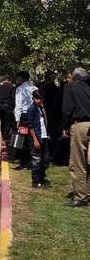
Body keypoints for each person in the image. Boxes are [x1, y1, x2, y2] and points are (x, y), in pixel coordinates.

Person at [61, 67, 90, 207]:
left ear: (74, 76)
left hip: (79, 125)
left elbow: (67, 108)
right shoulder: (88, 89)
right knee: (88, 161)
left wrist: (64, 126)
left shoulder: (69, 87)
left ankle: (80, 197)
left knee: (78, 162)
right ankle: (87, 192)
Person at [14, 71, 37, 170]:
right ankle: (34, 161)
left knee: (22, 139)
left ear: (21, 78)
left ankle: (25, 163)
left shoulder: (20, 89)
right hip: (34, 114)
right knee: (33, 137)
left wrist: (17, 119)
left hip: (24, 115)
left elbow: (18, 105)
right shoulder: (35, 88)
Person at [28, 89, 51, 189]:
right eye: (36, 99)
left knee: (45, 160)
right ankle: (36, 181)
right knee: (36, 160)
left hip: (44, 136)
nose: (38, 101)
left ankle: (42, 178)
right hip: (37, 137)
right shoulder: (31, 109)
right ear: (33, 98)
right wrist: (35, 140)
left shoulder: (41, 108)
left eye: (40, 99)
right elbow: (31, 126)